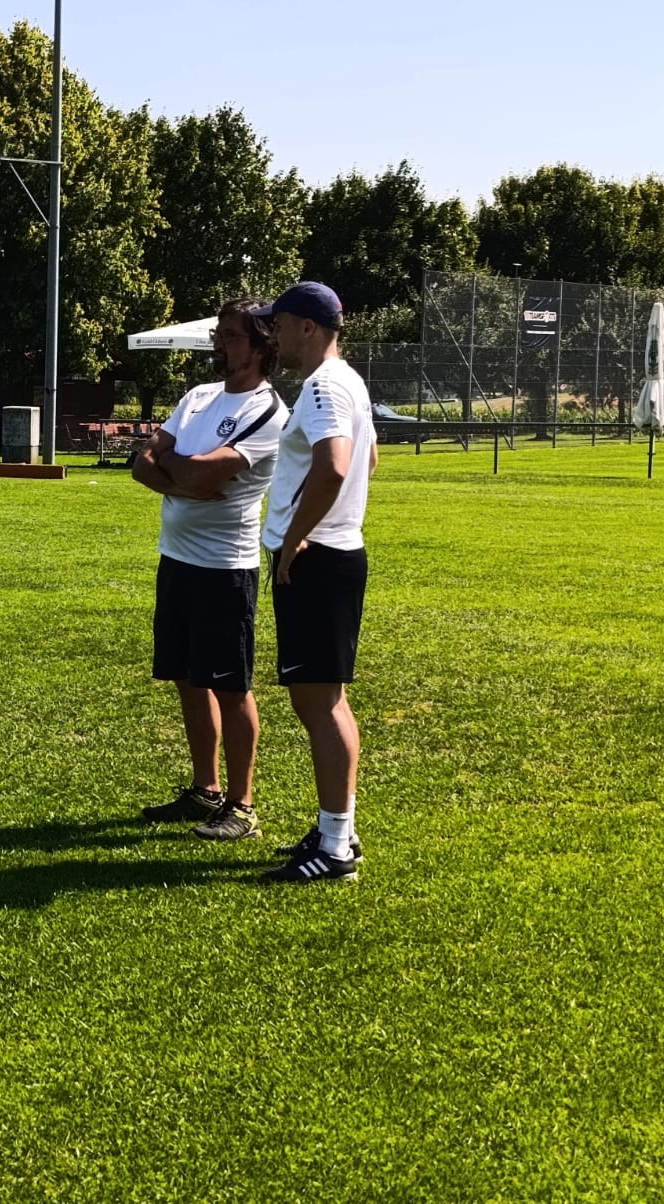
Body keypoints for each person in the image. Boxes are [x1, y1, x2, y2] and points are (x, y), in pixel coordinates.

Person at [133, 299, 288, 841]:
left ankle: (242, 807)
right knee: (187, 678)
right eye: (217, 333)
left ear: (262, 346)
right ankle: (206, 788)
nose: (218, 343)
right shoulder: (198, 397)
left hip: (225, 570)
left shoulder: (268, 412)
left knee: (230, 687)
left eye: (230, 335)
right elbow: (142, 464)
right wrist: (186, 480)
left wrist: (178, 470)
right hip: (176, 560)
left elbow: (195, 472)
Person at [254, 283, 377, 883]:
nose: (272, 336)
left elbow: (334, 466)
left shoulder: (325, 385)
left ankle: (334, 850)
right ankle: (337, 830)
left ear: (307, 327)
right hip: (335, 553)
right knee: (328, 700)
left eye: (278, 324)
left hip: (318, 559)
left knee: (318, 703)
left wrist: (296, 538)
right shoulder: (348, 380)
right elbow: (369, 461)